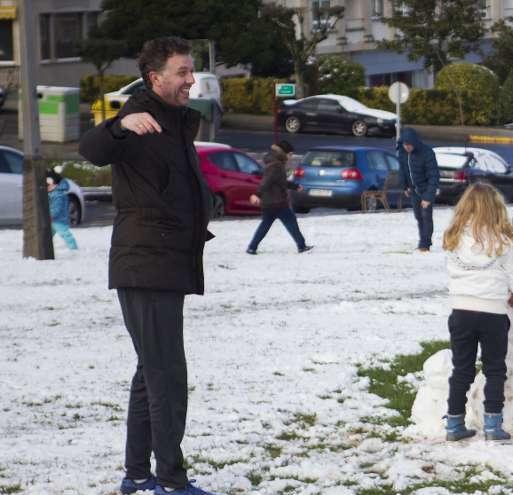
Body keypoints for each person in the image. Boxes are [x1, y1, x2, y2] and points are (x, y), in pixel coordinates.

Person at [78, 37, 216, 495]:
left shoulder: (176, 122)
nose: (191, 80)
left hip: (167, 261)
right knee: (167, 376)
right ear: (156, 78)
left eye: (191, 71)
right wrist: (119, 124)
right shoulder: (137, 118)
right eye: (182, 72)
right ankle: (171, 480)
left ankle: (137, 474)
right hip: (145, 262)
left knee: (150, 370)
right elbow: (92, 148)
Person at [442, 183, 513, 441]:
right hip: (493, 314)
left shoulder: (453, 240)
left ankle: (453, 423)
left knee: (461, 369)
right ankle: (493, 425)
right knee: (495, 369)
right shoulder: (502, 244)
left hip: (461, 311)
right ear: (496, 209)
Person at [246, 140, 313, 255]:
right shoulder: (276, 165)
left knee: (266, 224)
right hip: (277, 201)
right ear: (284, 153)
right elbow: (266, 182)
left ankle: (252, 247)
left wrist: (295, 186)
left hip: (270, 201)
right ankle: (301, 246)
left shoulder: (275, 163)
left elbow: (279, 181)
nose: (291, 157)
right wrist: (257, 194)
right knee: (290, 221)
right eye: (290, 154)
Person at [398, 127, 440, 253]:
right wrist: (404, 186)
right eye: (405, 145)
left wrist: (428, 197)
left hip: (426, 189)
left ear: (414, 143)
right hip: (413, 190)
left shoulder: (427, 153)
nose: (407, 147)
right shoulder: (403, 152)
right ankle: (423, 241)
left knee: (426, 216)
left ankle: (425, 244)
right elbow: (403, 170)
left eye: (409, 145)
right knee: (419, 217)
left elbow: (434, 176)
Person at [46, 169, 78, 250]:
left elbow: (57, 208)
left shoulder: (58, 195)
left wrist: (50, 215)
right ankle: (45, 247)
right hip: (53, 220)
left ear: (55, 184)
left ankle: (73, 248)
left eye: (48, 185)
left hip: (59, 219)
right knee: (47, 235)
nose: (47, 188)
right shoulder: (53, 193)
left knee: (65, 234)